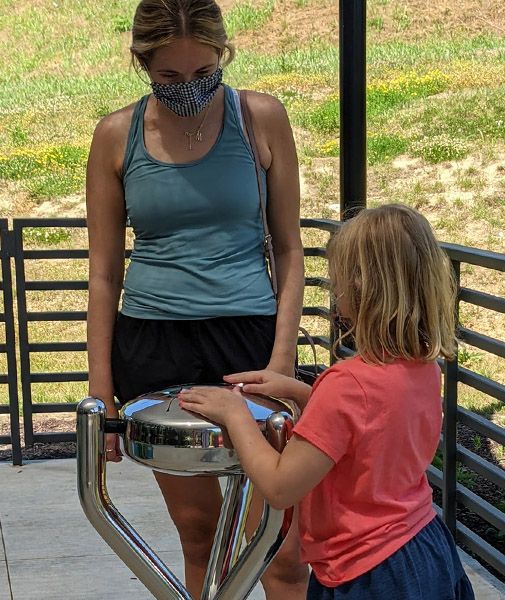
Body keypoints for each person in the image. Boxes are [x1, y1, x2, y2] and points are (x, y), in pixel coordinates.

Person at [85, 1, 307, 598]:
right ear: (142, 65)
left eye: (204, 74)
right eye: (170, 79)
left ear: (224, 56)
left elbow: (289, 251)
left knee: (280, 547)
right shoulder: (115, 134)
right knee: (198, 533)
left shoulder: (259, 117)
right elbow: (104, 274)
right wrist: (101, 395)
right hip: (156, 347)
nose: (189, 90)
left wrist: (282, 364)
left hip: (250, 339)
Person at [178, 204, 476, 599]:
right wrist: (304, 392)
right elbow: (374, 425)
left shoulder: (347, 385)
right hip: (425, 548)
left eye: (337, 279)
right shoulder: (422, 367)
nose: (333, 289)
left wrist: (236, 416)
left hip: (367, 573)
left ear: (360, 287)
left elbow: (282, 486)